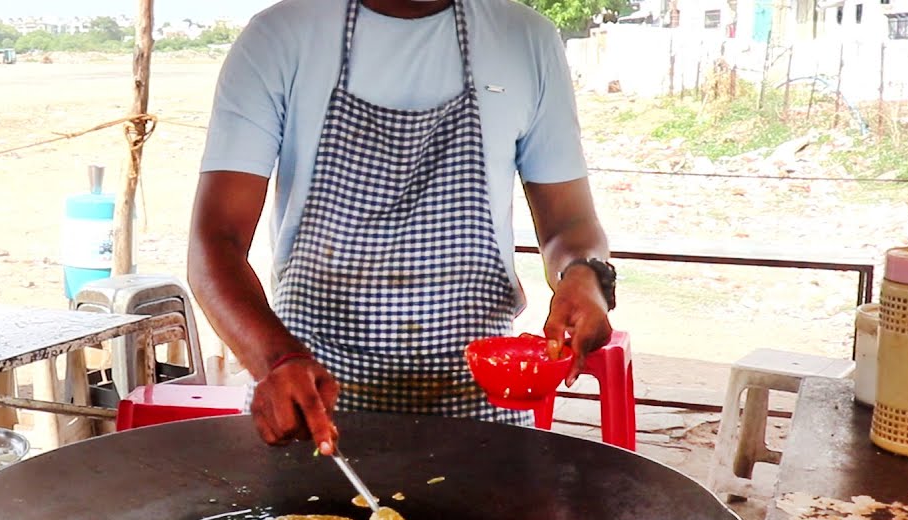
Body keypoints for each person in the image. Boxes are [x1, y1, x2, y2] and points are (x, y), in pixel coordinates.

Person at [188, 0, 614, 455]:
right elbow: (216, 242)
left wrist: (583, 275)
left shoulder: (525, 40)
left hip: (477, 410)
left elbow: (569, 223)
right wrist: (276, 359)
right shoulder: (279, 37)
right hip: (310, 404)